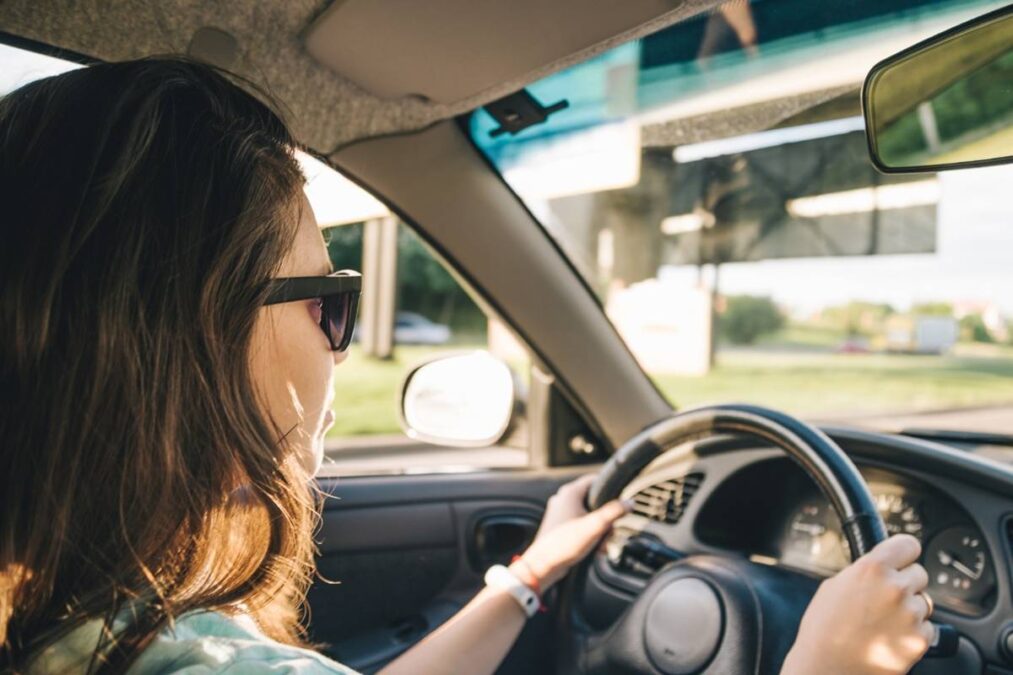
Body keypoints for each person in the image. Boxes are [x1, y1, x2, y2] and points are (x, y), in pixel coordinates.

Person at [0, 58, 935, 675]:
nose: (345, 342)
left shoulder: (87, 620)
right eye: (330, 301)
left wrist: (528, 574)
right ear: (190, 336)